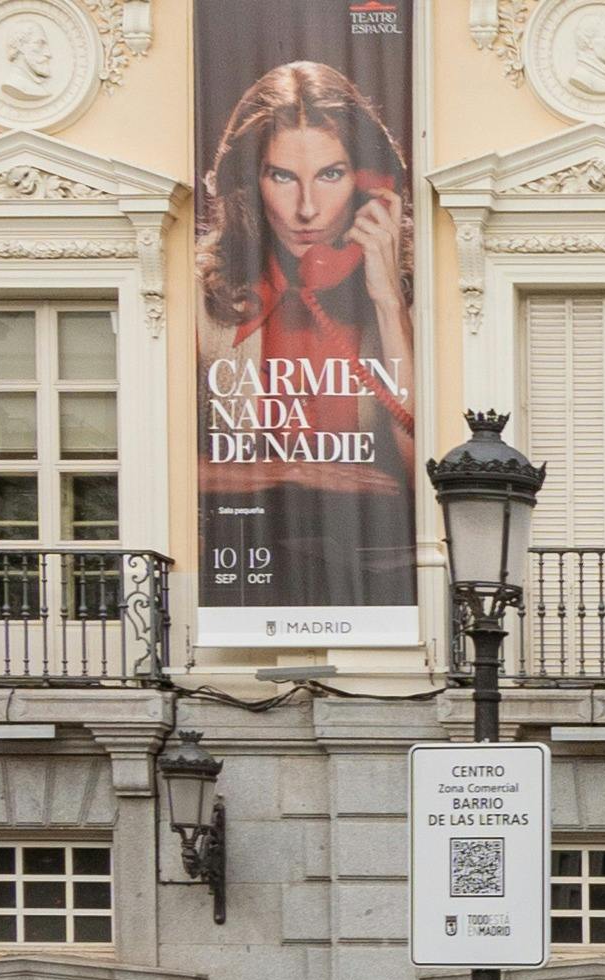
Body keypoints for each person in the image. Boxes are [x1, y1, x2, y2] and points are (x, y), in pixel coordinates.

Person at [195, 61, 419, 604]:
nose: (307, 209)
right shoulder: (200, 298)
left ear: (371, 183)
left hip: (384, 582)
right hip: (243, 579)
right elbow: (158, 467)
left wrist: (388, 301)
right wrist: (292, 471)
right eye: (282, 176)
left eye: (331, 174)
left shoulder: (418, 290)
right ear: (250, 183)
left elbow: (430, 473)